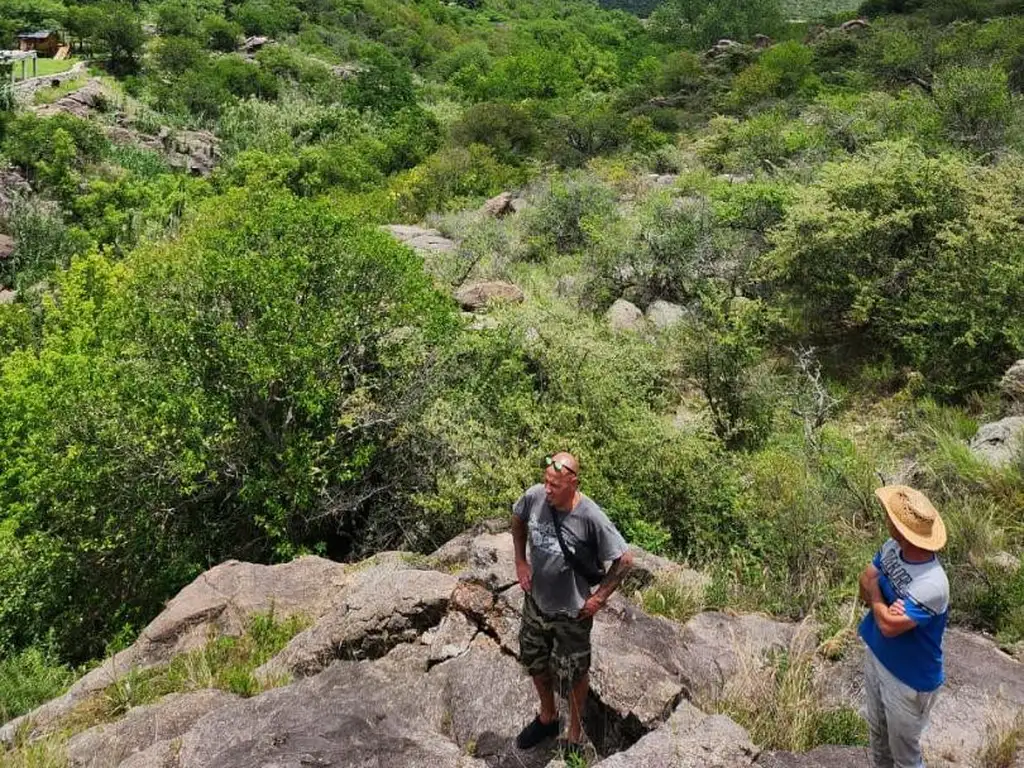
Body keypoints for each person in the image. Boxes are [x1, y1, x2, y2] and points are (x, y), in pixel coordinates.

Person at [511, 451, 633, 758]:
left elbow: (624, 560)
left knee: (575, 673)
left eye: (555, 485)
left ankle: (574, 735)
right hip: (536, 604)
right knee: (535, 661)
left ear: (573, 483)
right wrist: (520, 561)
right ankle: (548, 717)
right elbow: (518, 518)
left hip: (572, 613)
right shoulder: (535, 497)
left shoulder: (590, 516)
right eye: (546, 482)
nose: (547, 489)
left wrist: (598, 599)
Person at [858, 485, 949, 768]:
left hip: (908, 680)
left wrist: (878, 593)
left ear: (903, 529)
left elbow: (887, 624)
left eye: (890, 518)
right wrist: (885, 602)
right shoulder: (891, 548)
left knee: (906, 758)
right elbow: (863, 581)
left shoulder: (933, 584)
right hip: (878, 657)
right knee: (878, 738)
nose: (886, 520)